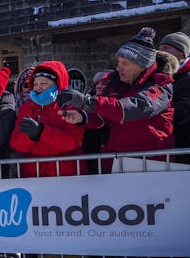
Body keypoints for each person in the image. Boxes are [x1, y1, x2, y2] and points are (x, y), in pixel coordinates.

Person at [58, 27, 176, 172]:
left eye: (125, 63)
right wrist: (82, 117)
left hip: (151, 162)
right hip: (118, 160)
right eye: (118, 62)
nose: (118, 68)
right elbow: (104, 115)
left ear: (141, 65)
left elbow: (136, 108)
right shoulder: (115, 83)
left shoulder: (160, 85)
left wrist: (87, 102)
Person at [9, 61, 84, 178]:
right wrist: (30, 136)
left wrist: (42, 131)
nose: (38, 87)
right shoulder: (26, 108)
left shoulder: (70, 107)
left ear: (57, 84)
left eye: (43, 83)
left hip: (66, 174)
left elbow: (72, 141)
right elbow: (16, 144)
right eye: (35, 83)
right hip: (34, 174)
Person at [157, 32, 190, 157]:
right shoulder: (159, 75)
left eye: (166, 48)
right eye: (160, 48)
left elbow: (182, 114)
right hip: (161, 144)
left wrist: (153, 105)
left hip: (181, 149)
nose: (161, 52)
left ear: (181, 53)